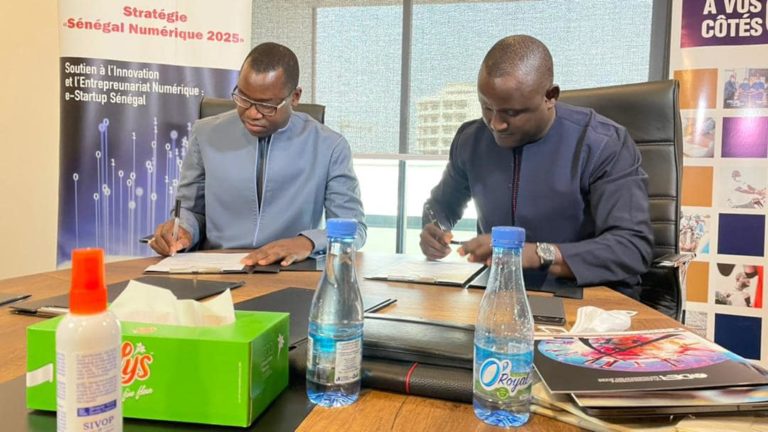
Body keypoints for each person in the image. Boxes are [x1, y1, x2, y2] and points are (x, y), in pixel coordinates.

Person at [419, 35, 653, 298]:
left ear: (550, 97)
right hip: (499, 294)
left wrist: (537, 254)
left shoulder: (603, 143)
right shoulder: (471, 140)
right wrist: (435, 229)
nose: (495, 124)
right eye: (486, 107)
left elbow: (631, 247)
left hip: (588, 298)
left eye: (511, 112)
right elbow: (441, 205)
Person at [150, 42, 366, 266]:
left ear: (295, 97)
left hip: (292, 270)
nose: (252, 113)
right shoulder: (204, 134)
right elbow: (190, 211)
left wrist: (307, 242)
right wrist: (182, 230)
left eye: (266, 105)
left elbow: (354, 228)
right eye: (244, 98)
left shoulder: (331, 146)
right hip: (216, 267)